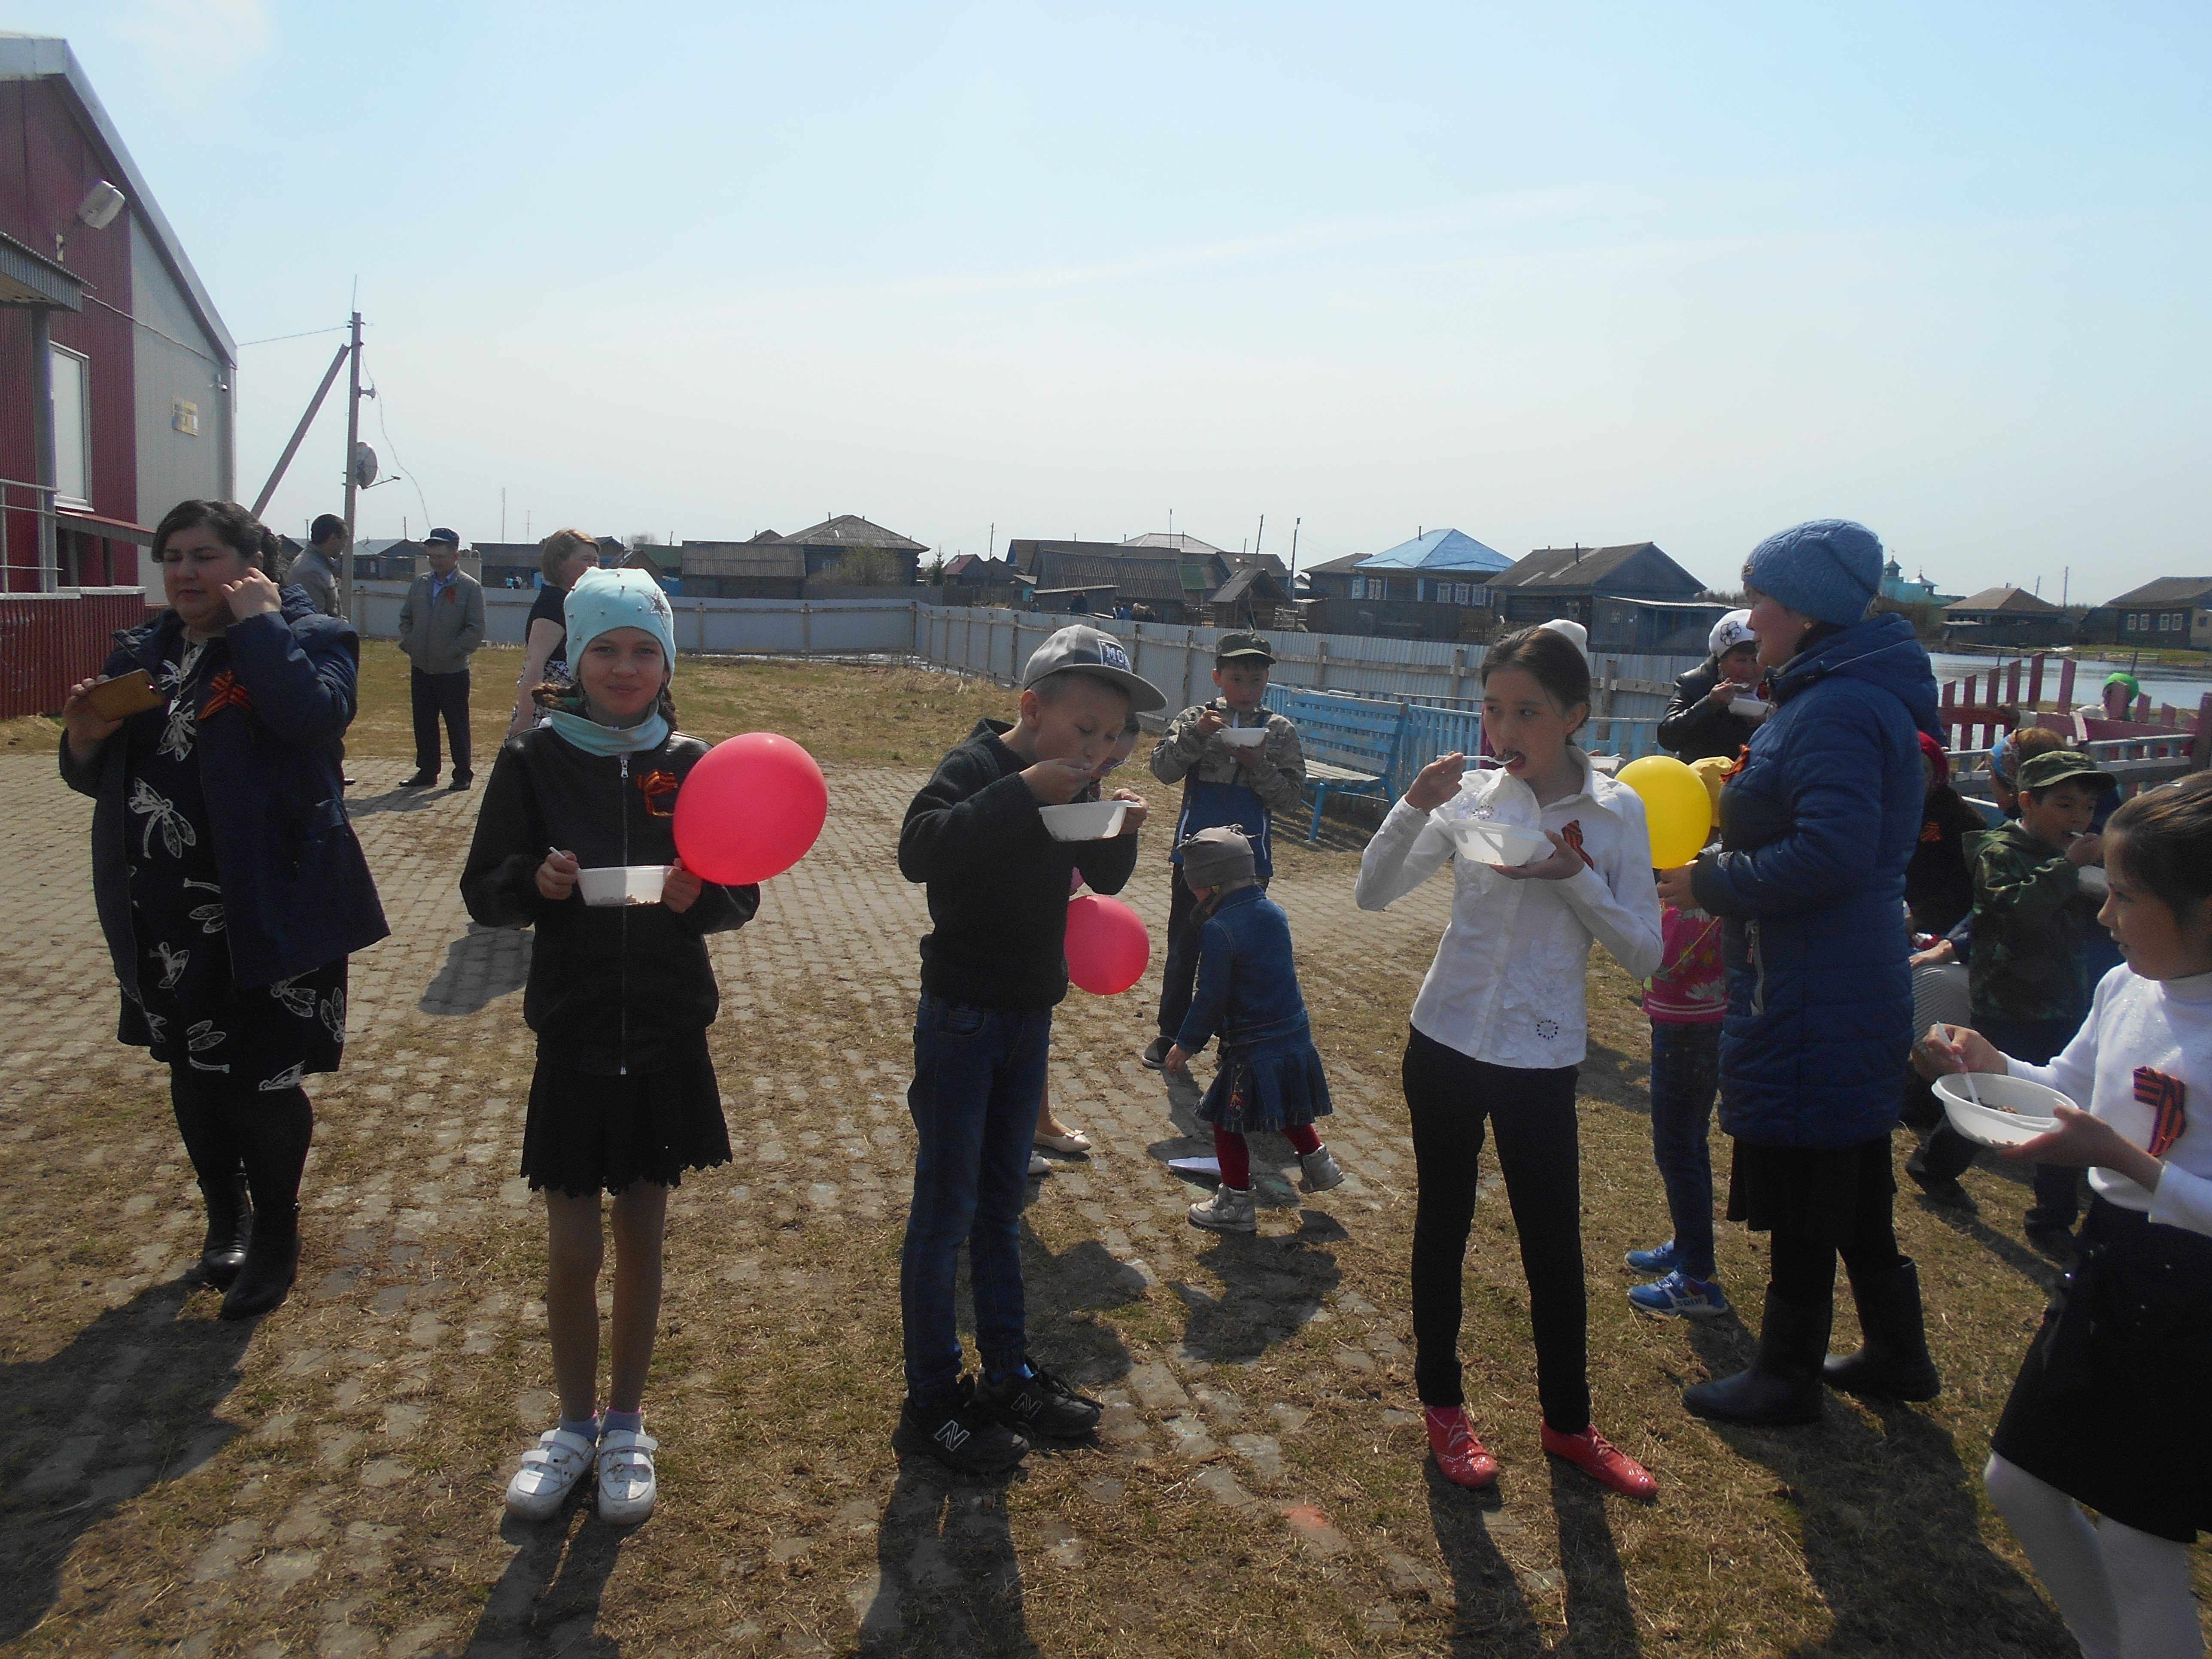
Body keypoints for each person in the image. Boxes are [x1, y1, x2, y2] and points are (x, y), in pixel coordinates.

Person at [461, 568, 758, 1525]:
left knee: (641, 1236)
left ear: (667, 662)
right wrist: (534, 882)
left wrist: (700, 897)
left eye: (642, 650)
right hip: (576, 1033)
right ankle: (571, 1425)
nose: (623, 668)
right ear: (575, 660)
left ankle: (627, 1424)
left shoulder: (695, 762)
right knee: (571, 1246)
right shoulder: (533, 759)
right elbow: (483, 887)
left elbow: (742, 893)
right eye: (604, 649)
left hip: (667, 1035)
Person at [1356, 622, 1664, 1498]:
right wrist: (1413, 803)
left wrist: (1571, 876)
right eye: (1492, 709)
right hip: (1445, 1037)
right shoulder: (1470, 799)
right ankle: (1443, 1408)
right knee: (1442, 1223)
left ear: (1573, 716)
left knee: (1551, 1242)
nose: (1503, 730)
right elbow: (1371, 894)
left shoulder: (1615, 813)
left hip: (1541, 1050)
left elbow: (1645, 953)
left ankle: (1568, 1423)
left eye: (1527, 711)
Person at [59, 500, 388, 1320]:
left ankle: (276, 1233)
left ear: (252, 564)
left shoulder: (311, 635)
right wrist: (85, 739)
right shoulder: (146, 650)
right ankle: (225, 1217)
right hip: (163, 908)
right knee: (192, 1069)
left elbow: (312, 717)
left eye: (203, 555)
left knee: (262, 1076)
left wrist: (261, 625)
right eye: (172, 556)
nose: (183, 572)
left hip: (270, 902)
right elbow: (106, 776)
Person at [1656, 519, 1943, 1428]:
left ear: (1803, 611)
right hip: (1838, 971)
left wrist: (1708, 881)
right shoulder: (1844, 693)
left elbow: (1829, 855)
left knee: (1810, 1175)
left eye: (1759, 602)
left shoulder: (1836, 708)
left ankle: (1783, 1375)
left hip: (1815, 979)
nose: (1749, 621)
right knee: (1848, 1172)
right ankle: (1897, 1352)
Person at [1922, 774, 2212, 1659]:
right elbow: (2067, 1089)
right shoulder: (2125, 987)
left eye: (2125, 896)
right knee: (2017, 1482)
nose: (2103, 914)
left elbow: (2115, 1147)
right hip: (2107, 1264)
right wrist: (1993, 1065)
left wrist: (2122, 1159)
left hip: (2192, 1297)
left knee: (2137, 1538)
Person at [894, 625, 1160, 1473]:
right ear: (1031, 707)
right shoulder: (978, 766)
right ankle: (932, 1398)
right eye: (1085, 730)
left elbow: (1105, 879)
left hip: (1026, 1020)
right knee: (945, 1212)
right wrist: (1022, 793)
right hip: (961, 1020)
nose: (1099, 751)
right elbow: (918, 849)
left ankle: (1007, 1373)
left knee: (1002, 1206)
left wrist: (1119, 826)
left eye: (1113, 737)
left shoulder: (1077, 779)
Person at [1906, 751, 2112, 1249]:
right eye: (2064, 804)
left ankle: (2049, 1216)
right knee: (1990, 1093)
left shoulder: (2071, 858)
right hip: (2009, 1000)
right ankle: (1940, 1167)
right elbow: (2013, 911)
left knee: (2060, 1103)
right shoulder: (1998, 850)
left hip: (2063, 999)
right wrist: (2069, 868)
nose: (2079, 818)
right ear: (2026, 802)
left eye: (2087, 807)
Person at [1165, 827, 1346, 1231]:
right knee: (1285, 1103)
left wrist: (1186, 1043)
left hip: (1251, 1045)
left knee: (1226, 1122)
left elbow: (1211, 997)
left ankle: (1235, 1205)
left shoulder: (1218, 930)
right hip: (1292, 1033)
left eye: (1195, 887)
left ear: (1211, 885)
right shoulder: (1274, 913)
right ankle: (1321, 1165)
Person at [1142, 632, 1307, 1072]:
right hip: (1195, 857)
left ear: (1267, 680)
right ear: (1217, 677)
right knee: (1185, 947)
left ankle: (1234, 1038)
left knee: (1240, 952)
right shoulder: (1195, 719)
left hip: (1248, 863)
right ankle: (1171, 1032)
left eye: (1256, 679)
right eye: (1236, 678)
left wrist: (1258, 765)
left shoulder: (1279, 731)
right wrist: (1197, 736)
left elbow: (1291, 800)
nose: (1246, 689)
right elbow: (1162, 771)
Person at [1032, 715, 1146, 1173]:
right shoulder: (1043, 780)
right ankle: (1002, 1136)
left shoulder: (1088, 789)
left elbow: (1106, 877)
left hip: (1045, 929)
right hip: (1004, 930)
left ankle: (1037, 1121)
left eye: (1116, 764)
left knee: (1034, 1028)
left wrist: (1122, 827)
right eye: (1101, 754)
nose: (1102, 767)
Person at [1622, 884, 1730, 1318]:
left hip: (1691, 1026)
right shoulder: (1707, 875)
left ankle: (1698, 1277)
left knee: (1676, 1150)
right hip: (1687, 1020)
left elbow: (1661, 956)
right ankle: (1690, 1247)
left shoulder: (1712, 881)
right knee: (1689, 1144)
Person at [397, 527, 485, 790]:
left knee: (456, 723)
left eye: (441, 557)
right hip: (421, 667)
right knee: (423, 721)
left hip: (453, 670)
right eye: (431, 557)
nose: (435, 562)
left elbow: (476, 629)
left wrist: (453, 651)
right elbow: (406, 618)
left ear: (456, 556)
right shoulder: (420, 583)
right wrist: (411, 644)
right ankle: (427, 771)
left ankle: (463, 773)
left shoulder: (470, 588)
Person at [510, 529, 603, 738]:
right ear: (560, 563)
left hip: (574, 710)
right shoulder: (554, 603)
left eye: (596, 560)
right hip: (550, 713)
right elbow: (535, 664)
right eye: (586, 559)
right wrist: (524, 719)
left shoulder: (577, 602)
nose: (594, 567)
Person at [1907, 732, 1988, 941]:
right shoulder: (1879, 812)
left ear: (1936, 776)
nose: (1909, 778)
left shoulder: (1961, 821)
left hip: (1943, 929)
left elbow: (1965, 893)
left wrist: (1918, 919)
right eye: (1901, 769)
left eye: (1921, 771)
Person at [1657, 609, 1767, 762]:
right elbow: (1668, 738)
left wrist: (1772, 720)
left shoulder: (1775, 684)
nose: (1749, 670)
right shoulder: (1696, 683)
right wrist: (1710, 704)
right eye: (1741, 660)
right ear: (1720, 663)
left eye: (1756, 660)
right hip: (1703, 773)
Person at [290, 514, 343, 619]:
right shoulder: (311, 571)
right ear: (333, 538)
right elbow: (316, 620)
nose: (345, 545)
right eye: (345, 538)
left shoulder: (317, 564)